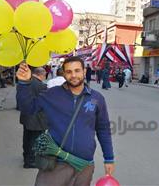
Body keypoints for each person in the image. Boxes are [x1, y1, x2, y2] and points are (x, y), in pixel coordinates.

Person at [16, 56, 115, 186]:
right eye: (69, 72)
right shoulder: (51, 94)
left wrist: (109, 158)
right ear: (64, 74)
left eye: (77, 70)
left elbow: (103, 129)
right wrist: (24, 84)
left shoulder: (96, 98)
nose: (73, 75)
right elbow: (27, 108)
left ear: (84, 72)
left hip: (84, 165)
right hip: (56, 163)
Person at [19, 67, 48, 168]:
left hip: (26, 116)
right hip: (36, 118)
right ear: (42, 74)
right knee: (34, 139)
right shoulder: (41, 86)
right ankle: (30, 161)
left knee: (27, 137)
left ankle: (26, 156)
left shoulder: (26, 82)